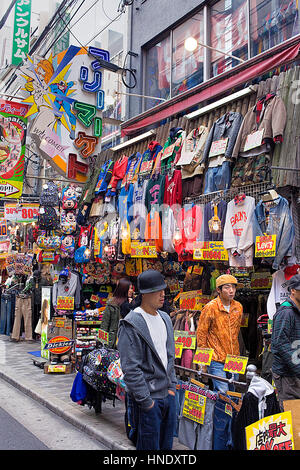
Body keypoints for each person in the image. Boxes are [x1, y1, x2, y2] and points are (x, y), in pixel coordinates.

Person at [117, 269, 177, 450]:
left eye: (163, 289)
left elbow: (170, 357)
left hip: (168, 397)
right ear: (145, 294)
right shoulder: (132, 323)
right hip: (148, 402)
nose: (162, 294)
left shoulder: (165, 318)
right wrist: (146, 401)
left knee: (166, 448)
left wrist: (172, 388)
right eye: (157, 290)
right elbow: (130, 368)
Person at [196, 274, 243, 392]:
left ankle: (231, 411)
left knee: (233, 390)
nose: (231, 291)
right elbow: (201, 334)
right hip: (216, 358)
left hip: (234, 357)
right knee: (222, 391)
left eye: (233, 287)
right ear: (218, 290)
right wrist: (203, 362)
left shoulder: (238, 307)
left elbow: (236, 331)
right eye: (227, 287)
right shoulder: (210, 308)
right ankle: (221, 411)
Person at [271, 274, 300, 410]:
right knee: (292, 416)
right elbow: (280, 343)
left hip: (294, 373)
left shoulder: (296, 311)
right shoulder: (286, 312)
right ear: (292, 290)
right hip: (287, 375)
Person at [101, 278, 134, 348]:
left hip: (129, 343)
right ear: (123, 289)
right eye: (130, 288)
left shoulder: (132, 304)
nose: (132, 291)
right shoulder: (112, 304)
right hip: (114, 343)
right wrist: (103, 345)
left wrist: (131, 306)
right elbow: (104, 325)